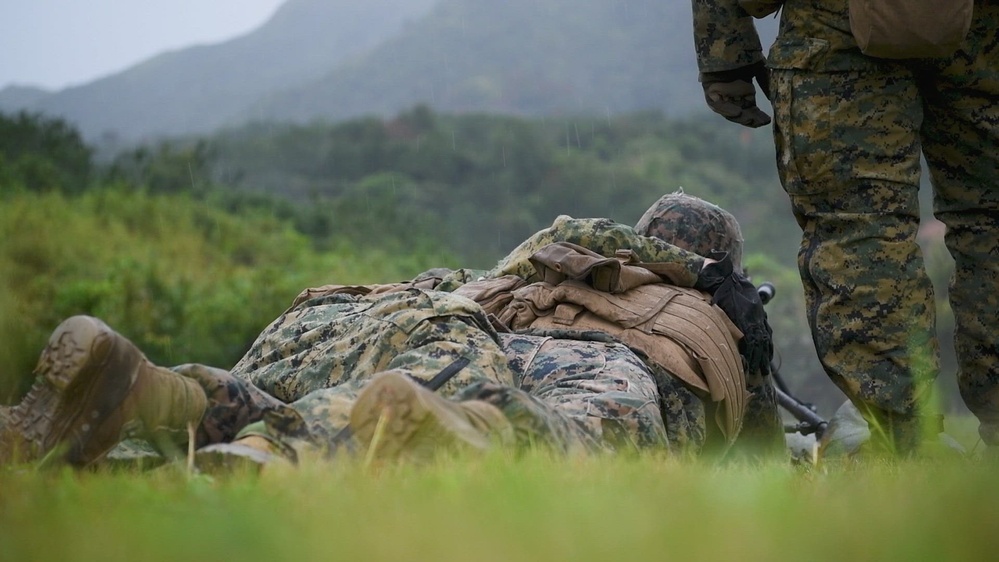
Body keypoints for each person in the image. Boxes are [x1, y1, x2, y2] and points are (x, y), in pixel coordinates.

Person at [0, 192, 780, 468]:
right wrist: (752, 349)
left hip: (482, 335)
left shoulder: (560, 258)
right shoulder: (711, 312)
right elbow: (756, 463)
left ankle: (166, 398)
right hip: (614, 371)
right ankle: (444, 429)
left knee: (358, 396)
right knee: (564, 443)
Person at [692, 0, 999, 455]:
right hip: (982, 29)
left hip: (836, 25)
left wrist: (725, 49)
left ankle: (904, 443)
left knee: (859, 230)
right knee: (990, 220)